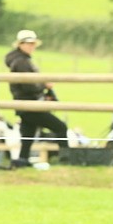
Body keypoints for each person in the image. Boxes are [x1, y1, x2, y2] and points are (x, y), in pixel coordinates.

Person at [5, 29, 68, 168]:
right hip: (30, 104)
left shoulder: (21, 60)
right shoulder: (22, 62)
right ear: (20, 44)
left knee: (28, 134)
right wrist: (44, 85)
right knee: (60, 127)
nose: (31, 46)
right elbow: (29, 87)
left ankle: (22, 160)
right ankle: (66, 159)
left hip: (24, 104)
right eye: (28, 43)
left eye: (33, 43)